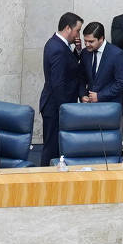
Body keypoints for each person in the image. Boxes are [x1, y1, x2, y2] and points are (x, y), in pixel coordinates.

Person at [40, 12, 87, 162]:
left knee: (54, 146)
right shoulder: (58, 49)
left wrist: (77, 52)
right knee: (52, 148)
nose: (78, 34)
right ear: (68, 28)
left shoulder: (57, 44)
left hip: (55, 106)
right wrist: (65, 109)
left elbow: (68, 66)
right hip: (56, 108)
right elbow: (58, 83)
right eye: (77, 30)